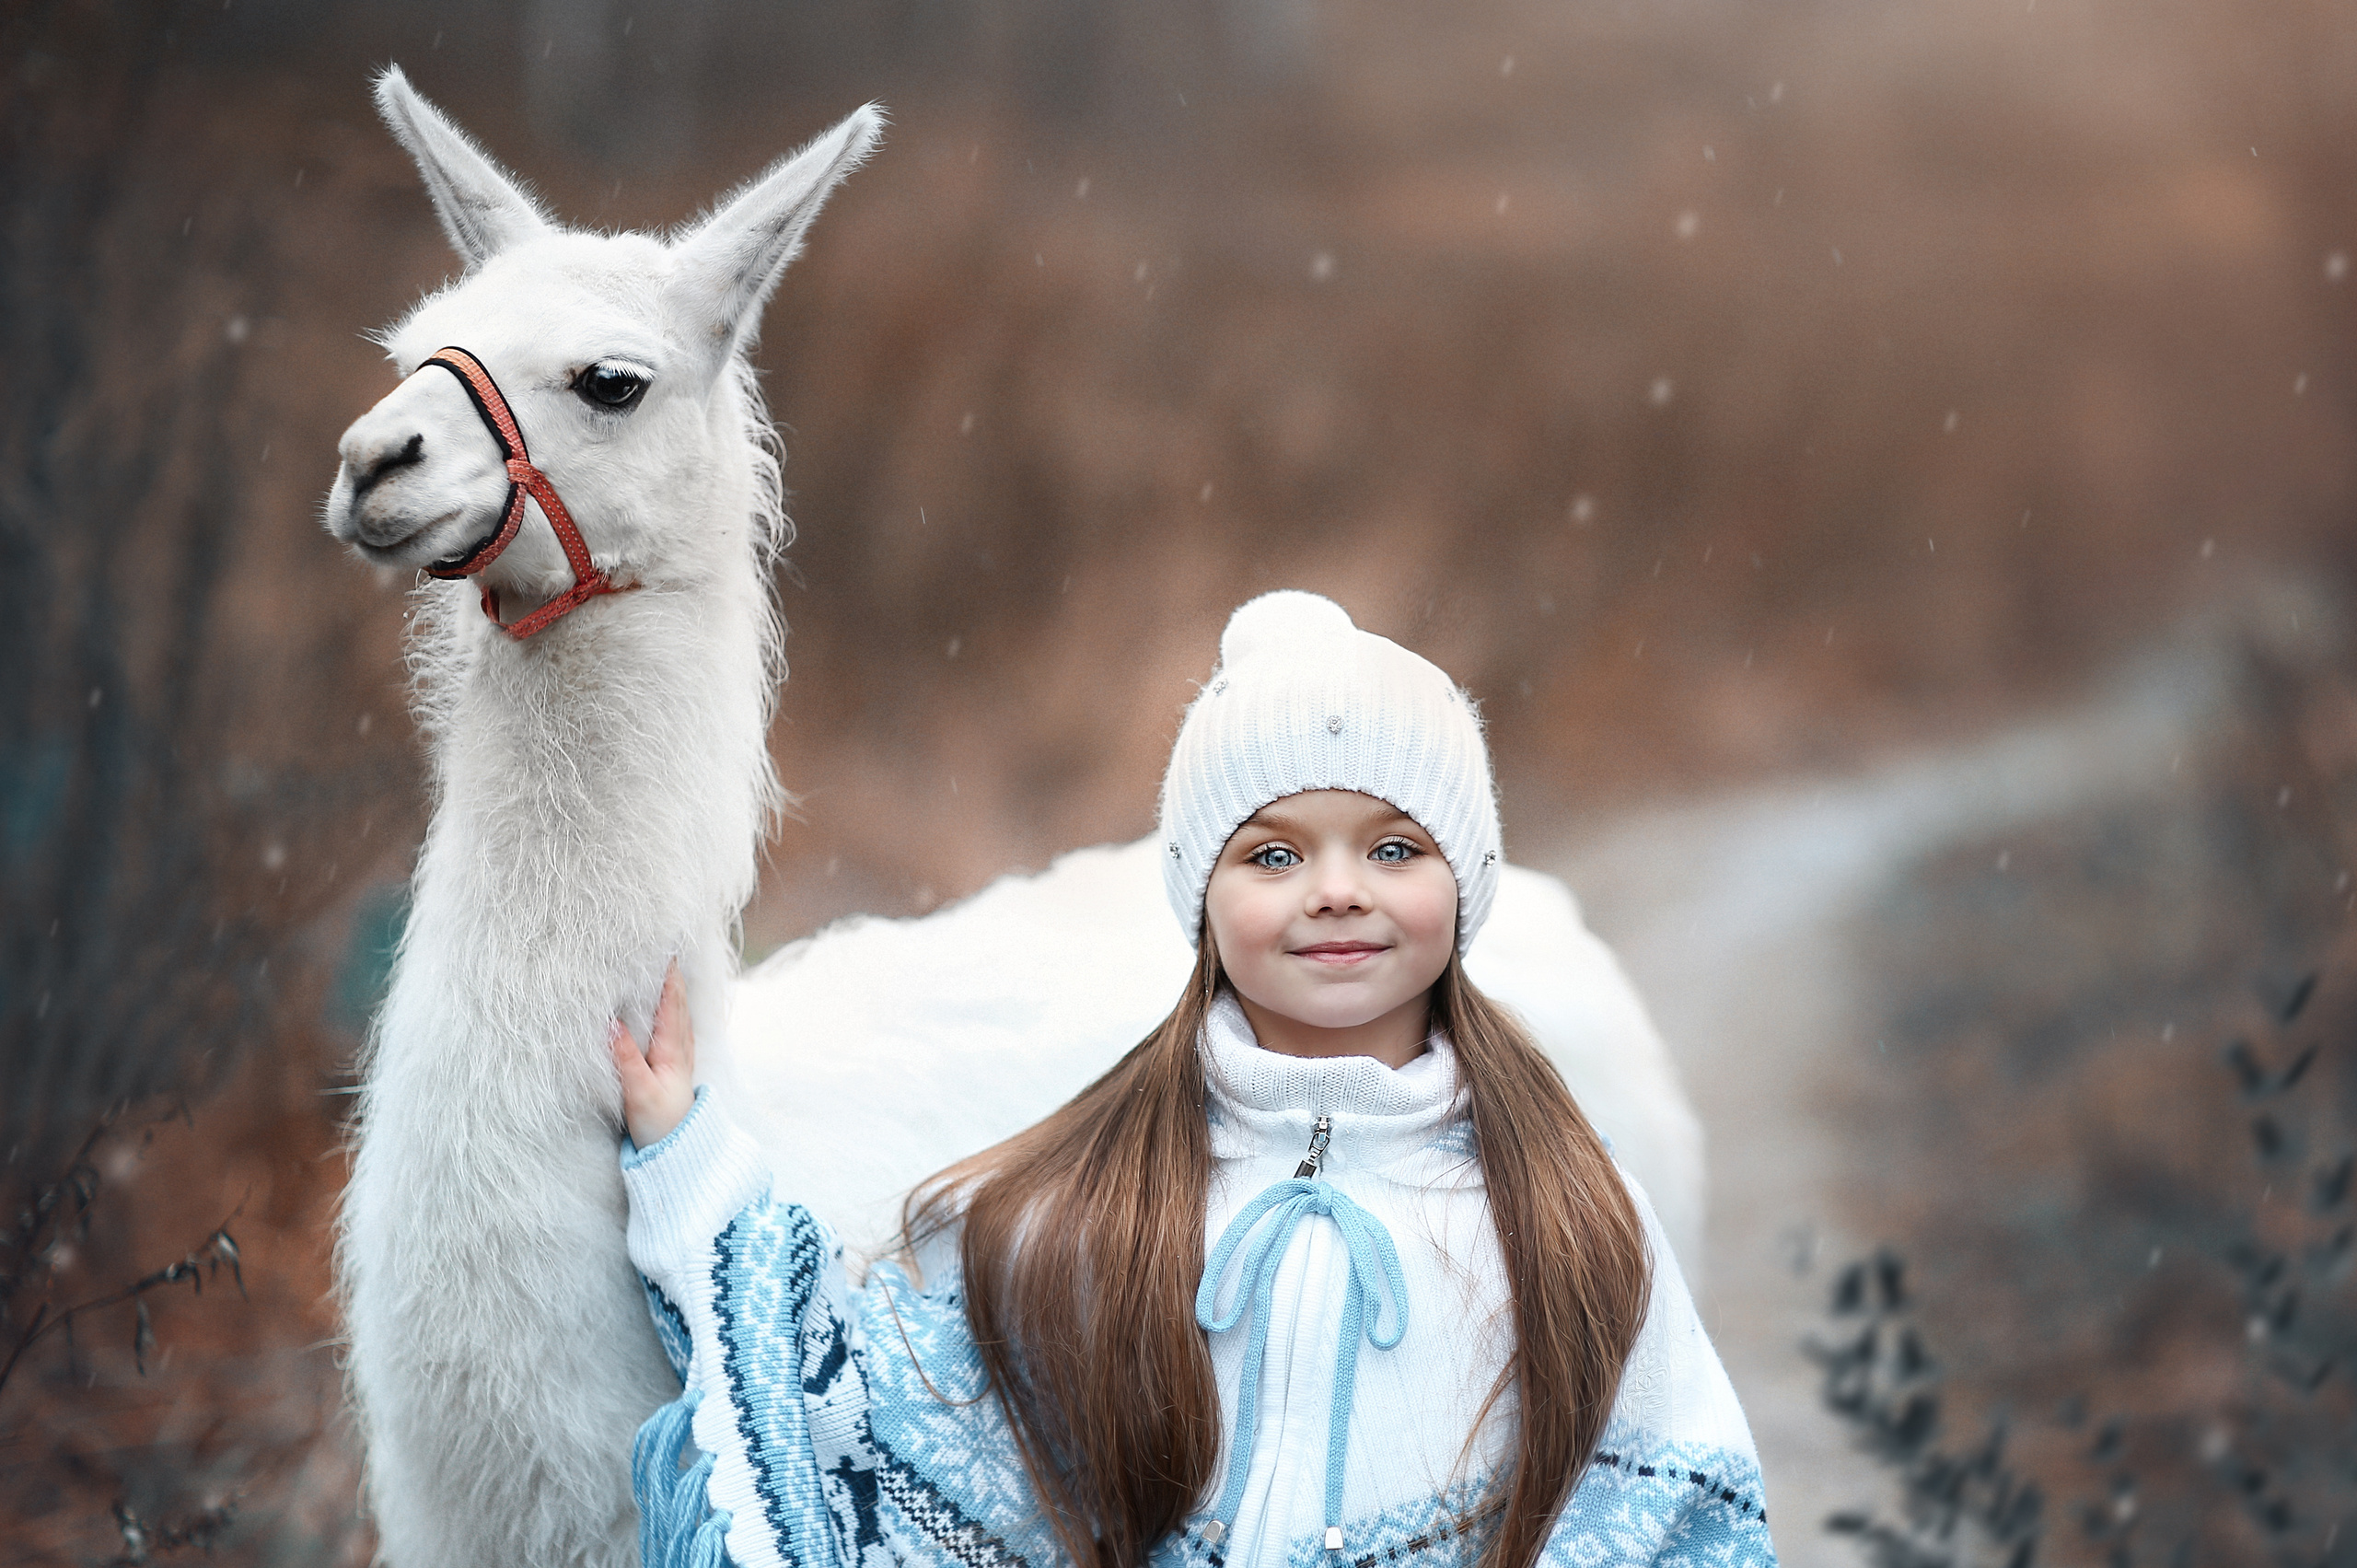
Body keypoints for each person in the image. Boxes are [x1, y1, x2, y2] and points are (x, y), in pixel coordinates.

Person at [611, 591, 1774, 1568]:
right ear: (1200, 899)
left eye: (1393, 846)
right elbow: (852, 1426)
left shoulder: (1568, 1211)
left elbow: (1675, 1522)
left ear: (1461, 882)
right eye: (1273, 853)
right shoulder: (1083, 1205)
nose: (1335, 888)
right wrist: (690, 1165)